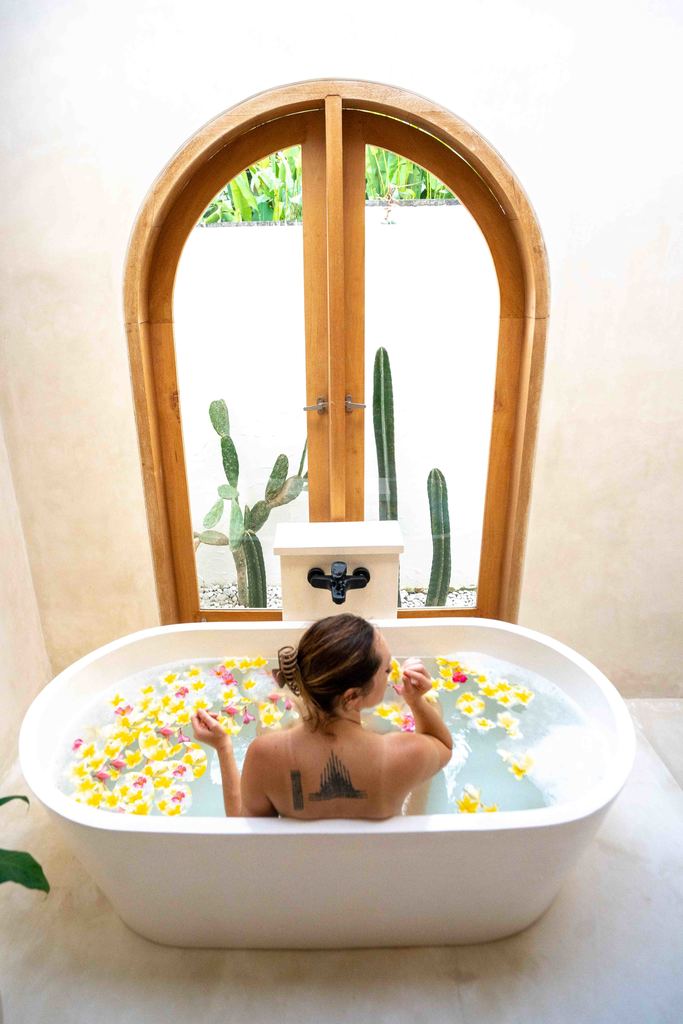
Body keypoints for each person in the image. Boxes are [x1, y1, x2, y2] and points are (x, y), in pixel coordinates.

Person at [191, 613, 452, 819]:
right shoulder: (402, 754)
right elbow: (443, 746)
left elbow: (244, 829)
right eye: (386, 670)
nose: (390, 674)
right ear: (351, 696)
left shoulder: (266, 754)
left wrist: (223, 746)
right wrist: (416, 702)